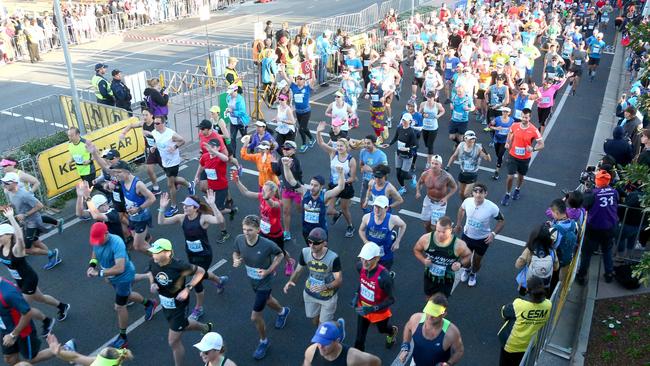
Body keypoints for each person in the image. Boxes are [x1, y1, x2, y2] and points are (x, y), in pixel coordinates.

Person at [157, 192, 229, 321]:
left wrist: (212, 204)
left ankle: (199, 308)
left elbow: (220, 220)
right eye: (184, 205)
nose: (185, 207)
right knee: (203, 274)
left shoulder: (203, 218)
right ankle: (219, 281)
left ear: (195, 207)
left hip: (204, 255)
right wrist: (162, 208)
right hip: (191, 254)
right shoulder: (181, 218)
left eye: (188, 206)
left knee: (197, 282)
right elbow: (161, 222)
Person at [87, 222, 157, 349]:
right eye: (95, 240)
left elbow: (120, 268)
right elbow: (95, 252)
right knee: (128, 295)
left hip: (123, 277)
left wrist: (100, 273)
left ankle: (123, 337)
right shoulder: (97, 240)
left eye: (99, 240)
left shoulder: (117, 242)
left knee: (119, 306)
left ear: (106, 234)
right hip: (111, 276)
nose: (97, 242)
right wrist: (92, 265)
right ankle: (149, 304)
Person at [145, 239, 213, 366]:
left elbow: (201, 272)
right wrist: (152, 283)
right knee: (184, 324)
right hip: (166, 305)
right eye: (153, 252)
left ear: (167, 253)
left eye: (156, 252)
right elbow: (150, 272)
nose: (153, 255)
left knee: (173, 341)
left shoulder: (179, 266)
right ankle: (205, 327)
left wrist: (188, 288)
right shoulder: (153, 261)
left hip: (179, 306)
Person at [232, 215, 290, 360]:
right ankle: (283, 311)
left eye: (250, 230)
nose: (246, 233)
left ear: (258, 230)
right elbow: (236, 251)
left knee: (255, 316)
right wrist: (236, 259)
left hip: (265, 282)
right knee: (268, 300)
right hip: (253, 281)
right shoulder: (239, 239)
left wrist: (268, 271)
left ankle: (263, 341)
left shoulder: (267, 244)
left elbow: (280, 255)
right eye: (244, 229)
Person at [0, 207, 70, 323]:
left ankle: (46, 321)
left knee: (22, 307)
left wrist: (11, 218)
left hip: (29, 279)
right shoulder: (1, 247)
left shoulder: (16, 249)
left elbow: (19, 238)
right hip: (19, 280)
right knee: (40, 298)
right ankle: (62, 306)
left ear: (8, 235)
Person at [233, 177, 295, 275]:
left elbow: (272, 205)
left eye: (265, 190)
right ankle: (270, 266)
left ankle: (289, 262)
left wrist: (267, 198)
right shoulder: (262, 196)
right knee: (264, 250)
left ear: (272, 192)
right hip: (263, 231)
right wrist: (237, 182)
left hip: (275, 234)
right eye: (263, 190)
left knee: (281, 252)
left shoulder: (277, 202)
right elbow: (246, 192)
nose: (262, 192)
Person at [284, 227, 342, 325]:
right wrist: (291, 281)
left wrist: (325, 287)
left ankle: (337, 327)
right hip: (310, 293)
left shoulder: (333, 257)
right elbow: (298, 270)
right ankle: (331, 328)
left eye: (316, 243)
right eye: (310, 242)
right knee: (315, 321)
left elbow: (339, 280)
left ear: (324, 243)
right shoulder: (305, 252)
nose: (312, 245)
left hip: (327, 296)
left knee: (323, 325)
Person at [2, 173, 60, 270]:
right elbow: (15, 202)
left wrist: (24, 215)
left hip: (33, 223)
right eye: (3, 182)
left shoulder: (24, 195)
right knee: (36, 242)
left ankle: (52, 253)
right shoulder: (10, 192)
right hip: (26, 223)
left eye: (7, 183)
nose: (4, 185)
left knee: (27, 249)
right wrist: (10, 206)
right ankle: (53, 257)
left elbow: (40, 206)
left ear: (15, 183)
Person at [281, 160, 344, 244]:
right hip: (306, 230)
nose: (312, 187)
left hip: (320, 232)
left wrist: (341, 173)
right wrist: (285, 166)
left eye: (315, 185)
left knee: (321, 251)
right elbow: (290, 180)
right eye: (311, 184)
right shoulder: (304, 192)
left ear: (321, 187)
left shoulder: (325, 196)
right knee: (310, 248)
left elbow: (340, 187)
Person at [455, 183, 505, 287]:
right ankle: (467, 270)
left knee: (477, 262)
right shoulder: (467, 201)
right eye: (476, 191)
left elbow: (501, 221)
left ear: (485, 193)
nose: (478, 194)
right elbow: (461, 209)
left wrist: (493, 234)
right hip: (467, 236)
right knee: (466, 259)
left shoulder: (492, 207)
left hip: (482, 240)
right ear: (472, 193)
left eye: (481, 192)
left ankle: (473, 273)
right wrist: (459, 224)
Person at [0, 276, 57, 365]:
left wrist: (13, 335)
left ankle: (65, 350)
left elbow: (28, 313)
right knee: (10, 359)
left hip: (22, 332)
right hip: (4, 330)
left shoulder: (8, 293)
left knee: (31, 359)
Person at [576, 170, 619, 285]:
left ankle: (581, 275)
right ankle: (609, 273)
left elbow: (584, 205)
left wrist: (586, 190)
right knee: (607, 250)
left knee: (587, 253)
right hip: (610, 227)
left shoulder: (592, 194)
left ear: (597, 181)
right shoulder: (614, 192)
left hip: (594, 228)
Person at [353, 242, 398, 352]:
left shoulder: (385, 277)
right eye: (362, 258)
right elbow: (362, 282)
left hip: (379, 312)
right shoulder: (360, 267)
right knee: (359, 340)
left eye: (368, 259)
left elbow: (392, 299)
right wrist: (356, 295)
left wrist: (373, 308)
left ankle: (392, 331)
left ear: (377, 258)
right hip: (363, 309)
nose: (364, 262)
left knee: (382, 330)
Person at [144, 117, 193, 217]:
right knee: (174, 180)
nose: (155, 125)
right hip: (164, 161)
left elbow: (182, 140)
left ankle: (174, 207)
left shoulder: (171, 134)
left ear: (163, 124)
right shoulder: (154, 132)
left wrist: (174, 147)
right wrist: (154, 147)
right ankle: (189, 185)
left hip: (173, 162)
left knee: (170, 184)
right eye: (154, 123)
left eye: (157, 123)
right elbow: (157, 142)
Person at [413, 216, 471, 298]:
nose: (440, 235)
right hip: (430, 277)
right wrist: (423, 260)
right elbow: (416, 250)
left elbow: (469, 255)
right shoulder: (426, 239)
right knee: (429, 297)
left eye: (443, 232)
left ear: (450, 230)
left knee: (442, 303)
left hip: (447, 279)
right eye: (438, 231)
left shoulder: (458, 244)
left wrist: (460, 264)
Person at [498, 276, 551, 366]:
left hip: (511, 344)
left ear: (527, 290)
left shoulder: (519, 304)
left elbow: (504, 312)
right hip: (529, 343)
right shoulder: (548, 305)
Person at [316, 123, 357, 238]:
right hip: (334, 186)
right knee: (329, 210)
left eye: (341, 146)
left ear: (346, 147)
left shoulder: (351, 160)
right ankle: (336, 214)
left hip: (345, 187)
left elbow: (353, 178)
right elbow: (321, 143)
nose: (338, 148)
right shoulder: (333, 153)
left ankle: (350, 226)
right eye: (337, 145)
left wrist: (342, 180)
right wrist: (319, 132)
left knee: (345, 209)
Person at [398, 294, 464, 366]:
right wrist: (405, 346)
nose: (430, 316)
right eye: (429, 311)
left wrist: (448, 363)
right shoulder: (416, 319)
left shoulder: (451, 332)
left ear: (444, 314)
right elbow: (408, 327)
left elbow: (459, 351)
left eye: (434, 313)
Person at [110, 160, 156, 253]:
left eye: (119, 172)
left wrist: (138, 209)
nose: (116, 175)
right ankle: (158, 258)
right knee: (140, 243)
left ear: (127, 171)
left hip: (141, 217)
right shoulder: (122, 180)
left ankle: (161, 258)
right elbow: (107, 169)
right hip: (132, 217)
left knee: (137, 246)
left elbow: (152, 198)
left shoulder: (138, 185)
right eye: (115, 173)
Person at [501, 108, 544, 207]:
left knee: (521, 176)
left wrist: (533, 149)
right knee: (510, 176)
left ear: (530, 117)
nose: (524, 119)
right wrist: (507, 142)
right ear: (521, 116)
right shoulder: (514, 125)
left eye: (526, 117)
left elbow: (541, 144)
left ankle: (517, 189)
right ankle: (507, 194)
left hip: (525, 158)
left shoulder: (534, 130)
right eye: (523, 117)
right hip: (513, 156)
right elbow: (510, 133)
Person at [194, 137, 236, 236]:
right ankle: (231, 210)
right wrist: (196, 176)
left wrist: (214, 151)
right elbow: (201, 165)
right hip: (211, 188)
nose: (210, 148)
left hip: (221, 188)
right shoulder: (205, 156)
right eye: (209, 146)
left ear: (218, 148)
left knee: (217, 210)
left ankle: (224, 232)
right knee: (216, 209)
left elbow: (226, 158)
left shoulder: (220, 157)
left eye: (213, 147)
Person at [358, 196, 407, 271]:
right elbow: (361, 230)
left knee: (383, 274)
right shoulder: (367, 217)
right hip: (371, 253)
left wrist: (398, 241)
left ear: (386, 208)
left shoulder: (393, 219)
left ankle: (389, 275)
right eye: (376, 206)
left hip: (385, 254)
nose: (377, 209)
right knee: (370, 272)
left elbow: (403, 225)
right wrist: (365, 241)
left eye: (380, 207)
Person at [119, 108, 162, 195]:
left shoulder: (156, 125)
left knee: (167, 169)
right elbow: (131, 125)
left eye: (146, 115)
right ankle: (156, 188)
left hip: (160, 150)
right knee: (149, 170)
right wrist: (123, 133)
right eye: (143, 115)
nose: (144, 117)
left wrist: (150, 134)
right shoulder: (142, 124)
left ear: (152, 116)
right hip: (150, 151)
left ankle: (175, 180)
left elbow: (162, 138)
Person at [303, 321, 381, 366]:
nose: (321, 346)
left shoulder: (353, 358)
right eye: (319, 341)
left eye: (326, 343)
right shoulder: (311, 352)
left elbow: (376, 362)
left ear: (337, 341)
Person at [415, 155, 458, 233]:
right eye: (432, 163)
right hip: (428, 201)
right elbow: (419, 183)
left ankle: (435, 238)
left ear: (440, 165)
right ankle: (429, 236)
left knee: (435, 226)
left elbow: (454, 187)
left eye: (436, 164)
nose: (434, 166)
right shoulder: (425, 174)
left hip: (440, 204)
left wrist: (446, 198)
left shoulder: (447, 177)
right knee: (426, 224)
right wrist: (418, 191)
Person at [446, 130, 491, 200]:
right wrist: (448, 166)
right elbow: (454, 156)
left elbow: (488, 160)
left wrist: (486, 153)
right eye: (470, 139)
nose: (472, 140)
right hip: (463, 173)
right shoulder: (461, 145)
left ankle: (474, 202)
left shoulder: (478, 148)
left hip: (472, 174)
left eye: (473, 139)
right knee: (461, 193)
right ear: (465, 139)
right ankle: (465, 205)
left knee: (466, 194)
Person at [271, 141, 302, 241]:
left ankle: (309, 219)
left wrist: (288, 166)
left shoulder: (296, 161)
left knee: (300, 209)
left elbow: (296, 175)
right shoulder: (282, 159)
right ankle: (287, 232)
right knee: (285, 211)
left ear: (294, 150)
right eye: (284, 148)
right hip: (286, 190)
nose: (284, 150)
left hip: (297, 190)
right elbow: (277, 173)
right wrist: (273, 163)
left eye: (287, 149)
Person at [515, 225, 559, 296]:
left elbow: (518, 265)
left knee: (524, 294)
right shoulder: (552, 251)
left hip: (528, 283)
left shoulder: (530, 250)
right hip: (544, 283)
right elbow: (556, 267)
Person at [280, 69, 316, 153]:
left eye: (300, 78)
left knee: (301, 129)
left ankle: (304, 144)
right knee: (304, 128)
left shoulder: (307, 88)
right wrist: (282, 69)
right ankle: (311, 138)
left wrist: (312, 70)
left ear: (304, 80)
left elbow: (313, 80)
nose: (298, 80)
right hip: (298, 112)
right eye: (297, 78)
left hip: (306, 112)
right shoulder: (294, 87)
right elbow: (285, 77)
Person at [45, 333, 134, 365]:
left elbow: (75, 357)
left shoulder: (100, 363)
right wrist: (59, 353)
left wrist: (58, 353)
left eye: (99, 355)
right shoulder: (112, 362)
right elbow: (75, 357)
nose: (97, 356)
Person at [384, 113, 419, 194]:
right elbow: (395, 137)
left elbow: (416, 146)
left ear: (410, 121)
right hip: (399, 154)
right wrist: (389, 144)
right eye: (403, 120)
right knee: (398, 173)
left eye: (406, 121)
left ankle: (412, 177)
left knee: (403, 174)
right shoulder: (399, 128)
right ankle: (403, 187)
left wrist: (407, 148)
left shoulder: (411, 132)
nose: (404, 122)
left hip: (407, 156)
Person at [419, 91, 446, 165]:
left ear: (434, 98)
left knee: (430, 145)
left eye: (431, 98)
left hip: (433, 128)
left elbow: (443, 111)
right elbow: (419, 113)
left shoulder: (437, 105)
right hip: (425, 127)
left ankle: (428, 163)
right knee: (426, 144)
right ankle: (429, 154)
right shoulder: (423, 104)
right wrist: (423, 115)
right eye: (428, 97)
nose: (429, 99)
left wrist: (438, 116)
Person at [489, 107, 515, 180]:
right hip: (497, 139)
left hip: (505, 141)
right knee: (498, 154)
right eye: (503, 111)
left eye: (506, 112)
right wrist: (495, 128)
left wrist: (510, 138)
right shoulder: (497, 119)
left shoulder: (512, 121)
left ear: (509, 113)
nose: (505, 113)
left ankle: (497, 171)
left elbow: (513, 131)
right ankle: (500, 159)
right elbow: (489, 126)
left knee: (500, 155)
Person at [225, 84, 250, 156]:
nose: (230, 94)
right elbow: (229, 107)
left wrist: (232, 111)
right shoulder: (229, 97)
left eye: (231, 92)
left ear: (235, 91)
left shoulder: (240, 99)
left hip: (240, 121)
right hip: (233, 121)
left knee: (244, 137)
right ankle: (233, 155)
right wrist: (228, 111)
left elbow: (242, 112)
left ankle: (251, 146)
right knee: (232, 138)